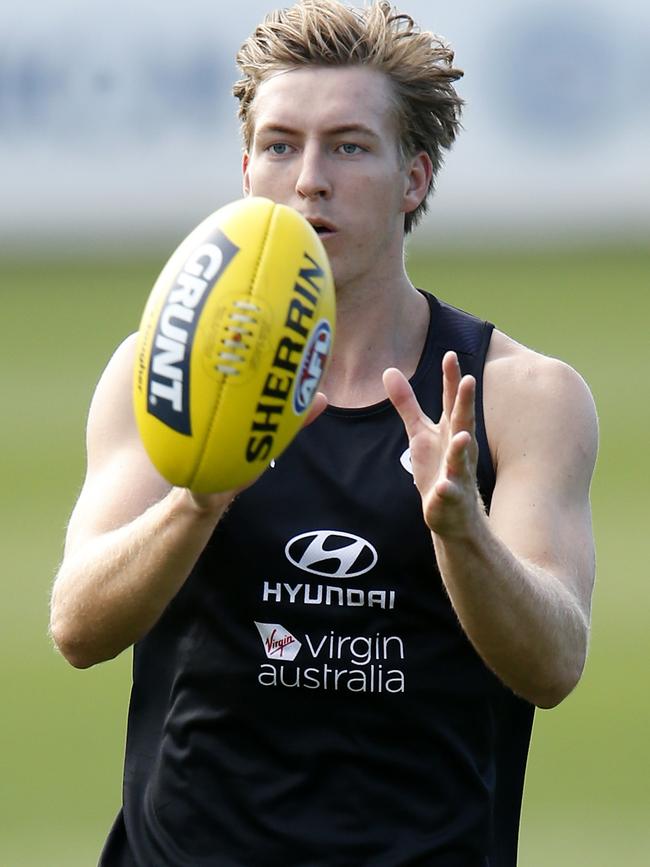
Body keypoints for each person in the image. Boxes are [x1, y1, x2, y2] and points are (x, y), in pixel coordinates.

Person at [50, 1, 598, 864]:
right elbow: (77, 625)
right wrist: (196, 503)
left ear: (414, 178)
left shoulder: (521, 395)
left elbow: (555, 662)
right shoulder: (161, 370)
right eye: (280, 145)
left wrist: (462, 532)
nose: (309, 178)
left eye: (348, 145)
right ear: (246, 168)